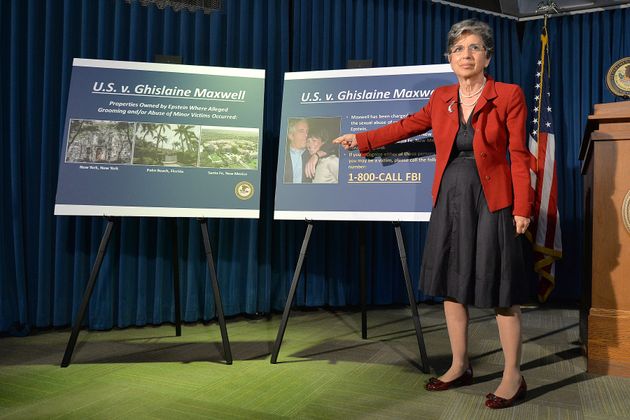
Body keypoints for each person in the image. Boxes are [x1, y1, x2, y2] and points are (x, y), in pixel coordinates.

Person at [334, 19, 532, 409]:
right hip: (450, 198)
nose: (466, 55)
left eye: (474, 48)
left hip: (493, 198)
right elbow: (409, 126)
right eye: (458, 49)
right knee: (452, 283)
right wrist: (362, 139)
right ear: (449, 58)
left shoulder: (508, 94)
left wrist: (522, 208)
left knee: (502, 289)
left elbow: (520, 156)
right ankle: (460, 365)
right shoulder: (441, 97)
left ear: (488, 56)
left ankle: (514, 375)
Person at [284, 118, 314, 184]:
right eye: (301, 131)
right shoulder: (282, 155)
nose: (306, 135)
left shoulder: (311, 153)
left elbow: (332, 145)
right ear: (291, 135)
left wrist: (317, 155)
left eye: (307, 132)